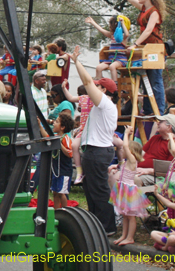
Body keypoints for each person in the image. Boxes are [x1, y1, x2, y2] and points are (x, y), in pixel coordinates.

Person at [71, 45, 118, 234]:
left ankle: (107, 227)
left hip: (98, 151)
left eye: (98, 86)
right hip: (94, 151)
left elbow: (87, 81)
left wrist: (77, 62)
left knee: (98, 190)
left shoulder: (105, 103)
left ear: (104, 90)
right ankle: (96, 226)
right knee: (91, 190)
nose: (93, 88)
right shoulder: (101, 106)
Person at [106, 0, 167, 114]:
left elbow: (148, 30)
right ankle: (148, 109)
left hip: (155, 48)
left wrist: (135, 43)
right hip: (146, 48)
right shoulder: (144, 9)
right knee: (146, 81)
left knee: (155, 80)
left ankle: (159, 110)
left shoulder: (154, 12)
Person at [112, 126, 150, 246]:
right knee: (125, 215)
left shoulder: (132, 160)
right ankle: (124, 235)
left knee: (131, 216)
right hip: (123, 190)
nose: (122, 151)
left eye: (125, 150)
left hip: (129, 191)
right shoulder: (126, 162)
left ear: (131, 152)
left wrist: (126, 133)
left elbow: (125, 146)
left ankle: (130, 237)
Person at [38, 112, 74, 209]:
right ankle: (56, 211)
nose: (54, 123)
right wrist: (40, 126)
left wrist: (59, 144)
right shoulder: (55, 136)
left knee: (61, 193)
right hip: (56, 171)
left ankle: (65, 210)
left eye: (57, 122)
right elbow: (47, 136)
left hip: (64, 171)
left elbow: (70, 153)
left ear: (62, 127)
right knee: (55, 192)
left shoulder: (65, 139)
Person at [133, 114, 175, 186]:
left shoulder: (174, 145)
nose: (157, 123)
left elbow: (170, 169)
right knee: (116, 173)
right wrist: (127, 165)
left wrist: (148, 171)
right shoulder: (155, 138)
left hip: (157, 177)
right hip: (140, 171)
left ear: (169, 127)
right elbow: (139, 155)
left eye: (161, 121)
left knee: (134, 179)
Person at [85, 15, 130, 81]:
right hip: (111, 60)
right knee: (99, 67)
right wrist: (92, 22)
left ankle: (114, 83)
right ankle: (99, 83)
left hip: (120, 60)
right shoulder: (112, 35)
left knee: (112, 67)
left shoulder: (122, 37)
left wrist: (122, 23)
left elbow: (127, 34)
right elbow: (101, 30)